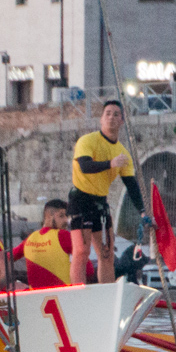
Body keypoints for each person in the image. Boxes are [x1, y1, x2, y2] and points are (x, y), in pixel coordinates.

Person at [68, 100, 145, 285]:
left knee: (107, 254)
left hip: (100, 203)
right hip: (80, 199)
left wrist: (142, 210)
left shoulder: (122, 152)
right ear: (101, 119)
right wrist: (111, 164)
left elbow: (131, 184)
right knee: (81, 251)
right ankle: (77, 293)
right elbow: (85, 166)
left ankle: (108, 293)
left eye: (116, 114)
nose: (111, 117)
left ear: (122, 121)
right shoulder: (87, 141)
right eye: (107, 113)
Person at [11, 199, 75, 289]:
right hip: (64, 296)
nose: (66, 220)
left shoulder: (30, 239)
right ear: (49, 216)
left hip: (36, 299)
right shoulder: (63, 235)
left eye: (66, 216)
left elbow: (5, 258)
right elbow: (89, 270)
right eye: (61, 216)